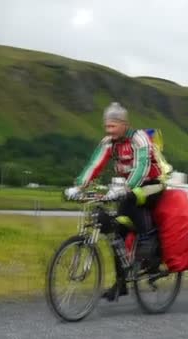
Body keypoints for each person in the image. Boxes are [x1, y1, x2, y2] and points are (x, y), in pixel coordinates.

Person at [64, 102, 169, 301]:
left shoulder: (139, 139)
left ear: (124, 124)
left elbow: (142, 167)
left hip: (151, 184)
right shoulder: (109, 143)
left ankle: (151, 256)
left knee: (136, 205)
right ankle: (121, 284)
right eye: (106, 126)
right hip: (128, 188)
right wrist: (79, 187)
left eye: (113, 126)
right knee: (116, 233)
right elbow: (94, 165)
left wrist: (126, 189)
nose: (109, 130)